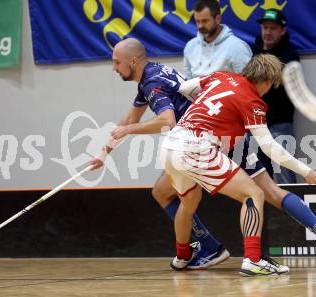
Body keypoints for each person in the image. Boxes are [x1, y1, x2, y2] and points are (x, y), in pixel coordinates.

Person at [174, 55, 316, 272]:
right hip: (212, 145)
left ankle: (182, 255)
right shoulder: (253, 100)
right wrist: (306, 171)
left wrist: (205, 109)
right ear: (269, 81)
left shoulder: (221, 76)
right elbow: (270, 146)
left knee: (184, 202)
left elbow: (184, 87)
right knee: (265, 192)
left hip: (192, 143)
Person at [89, 38, 231, 269]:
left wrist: (129, 130)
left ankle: (207, 248)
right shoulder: (152, 74)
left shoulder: (151, 82)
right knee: (162, 192)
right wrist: (103, 153)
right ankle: (202, 245)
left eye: (117, 63)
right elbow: (130, 119)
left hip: (201, 141)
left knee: (176, 195)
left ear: (132, 61)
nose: (114, 68)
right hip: (204, 136)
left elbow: (167, 120)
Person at [250, 8, 298, 184]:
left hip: (280, 123)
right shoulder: (253, 50)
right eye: (265, 27)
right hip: (254, 123)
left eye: (273, 28)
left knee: (284, 173)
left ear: (282, 30)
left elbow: (287, 80)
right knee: (257, 174)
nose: (268, 32)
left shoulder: (290, 54)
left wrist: (264, 74)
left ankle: (290, 211)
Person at [183, 0, 252, 80]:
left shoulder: (237, 47)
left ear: (218, 19)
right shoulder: (190, 46)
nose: (200, 26)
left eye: (205, 21)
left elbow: (248, 85)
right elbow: (187, 82)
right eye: (197, 21)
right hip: (196, 92)